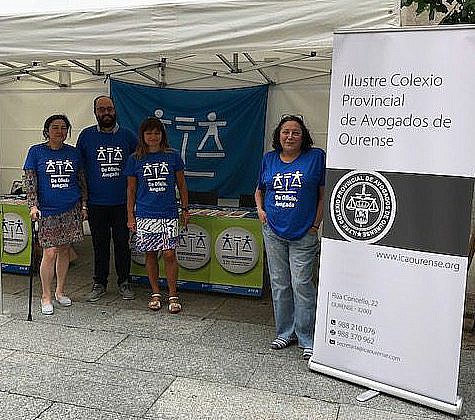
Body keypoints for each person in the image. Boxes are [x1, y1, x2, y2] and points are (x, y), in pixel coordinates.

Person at [255, 115, 325, 360]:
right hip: (273, 231)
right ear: (279, 135)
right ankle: (285, 332)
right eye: (286, 132)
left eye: (296, 132)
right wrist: (260, 210)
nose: (290, 136)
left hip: (304, 232)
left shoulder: (316, 157)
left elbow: (323, 194)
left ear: (303, 136)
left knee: (302, 284)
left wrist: (315, 224)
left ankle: (307, 337)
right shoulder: (269, 158)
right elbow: (259, 189)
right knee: (279, 283)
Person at [23, 115, 87, 315]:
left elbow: (81, 180)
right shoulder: (36, 151)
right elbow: (30, 181)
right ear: (47, 131)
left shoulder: (73, 153)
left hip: (70, 207)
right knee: (49, 252)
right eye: (55, 127)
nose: (60, 131)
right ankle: (46, 295)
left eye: (63, 128)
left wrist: (84, 205)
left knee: (64, 250)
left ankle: (60, 291)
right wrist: (33, 205)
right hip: (47, 210)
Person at [125, 116, 189, 313]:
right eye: (149, 133)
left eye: (156, 133)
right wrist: (130, 216)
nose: (153, 137)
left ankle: (173, 294)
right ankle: (155, 293)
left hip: (169, 213)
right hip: (145, 213)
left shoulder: (173, 156)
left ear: (162, 135)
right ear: (142, 136)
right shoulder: (134, 159)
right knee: (150, 253)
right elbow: (131, 190)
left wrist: (185, 209)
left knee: (169, 254)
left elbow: (182, 185)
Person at [77, 96, 137, 301]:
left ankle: (124, 281)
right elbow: (79, 170)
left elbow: (138, 166)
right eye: (101, 109)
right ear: (95, 112)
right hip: (96, 203)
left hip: (122, 203)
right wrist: (83, 201)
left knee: (122, 244)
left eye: (109, 109)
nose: (106, 113)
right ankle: (99, 283)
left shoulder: (128, 136)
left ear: (115, 110)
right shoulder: (86, 136)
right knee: (99, 245)